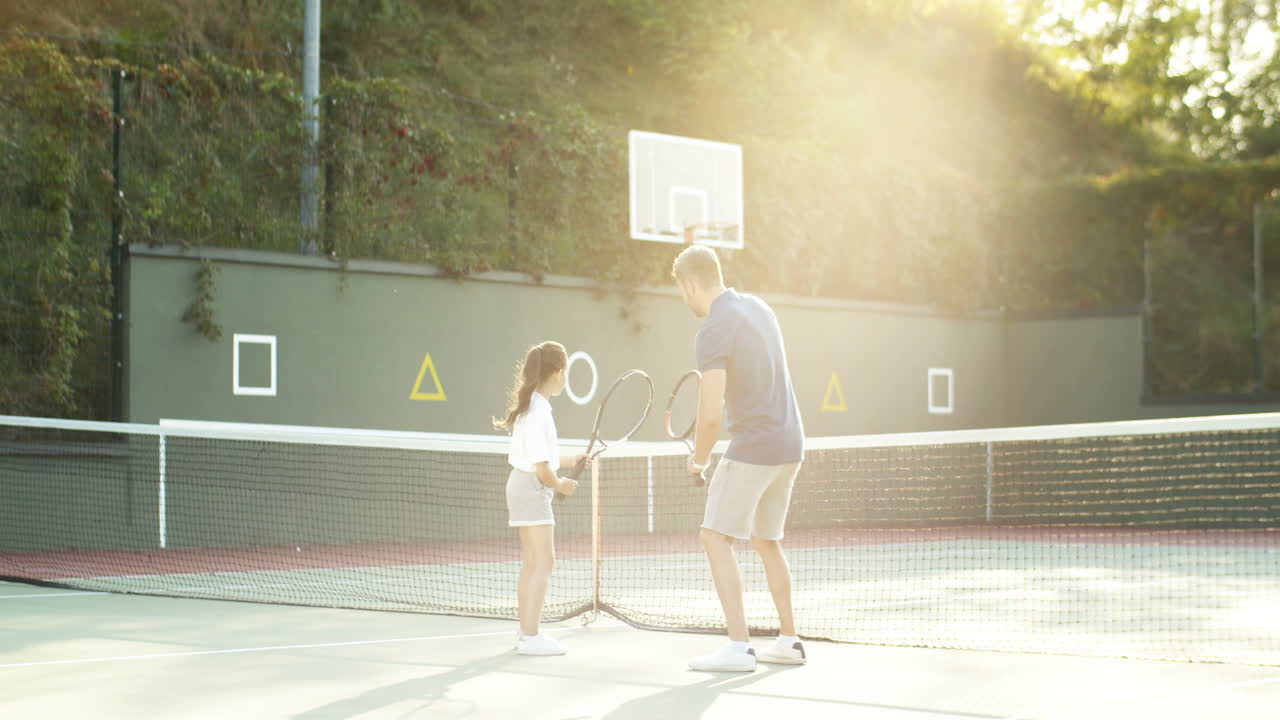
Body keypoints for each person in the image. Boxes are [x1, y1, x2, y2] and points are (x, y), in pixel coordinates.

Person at [672, 245, 807, 672]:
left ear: (690, 283)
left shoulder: (713, 329)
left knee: (715, 537)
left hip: (755, 447)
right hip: (790, 445)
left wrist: (699, 460)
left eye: (681, 290)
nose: (684, 299)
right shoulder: (760, 309)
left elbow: (709, 413)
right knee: (767, 541)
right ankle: (789, 641)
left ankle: (737, 647)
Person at [493, 341, 585, 656]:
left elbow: (545, 457)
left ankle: (526, 632)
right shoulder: (538, 413)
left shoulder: (533, 407)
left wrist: (573, 460)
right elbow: (544, 470)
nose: (565, 377)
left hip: (522, 485)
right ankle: (531, 637)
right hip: (532, 488)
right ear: (558, 373)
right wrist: (562, 485)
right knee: (544, 561)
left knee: (533, 563)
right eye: (566, 371)